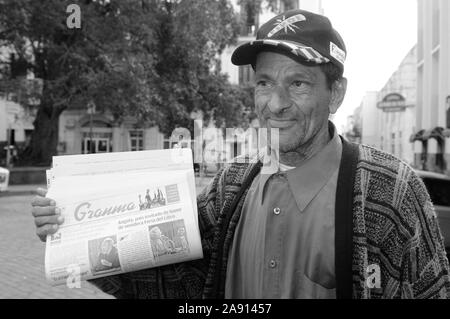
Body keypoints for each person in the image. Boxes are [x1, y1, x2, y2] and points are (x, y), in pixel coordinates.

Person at [31, 9, 450, 299]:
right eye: (264, 83)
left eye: (298, 84)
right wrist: (75, 232)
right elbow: (178, 280)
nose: (275, 103)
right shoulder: (233, 183)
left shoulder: (389, 191)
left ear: (335, 93)